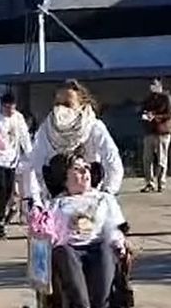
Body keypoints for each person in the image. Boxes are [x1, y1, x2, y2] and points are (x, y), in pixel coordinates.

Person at [37, 152, 130, 308]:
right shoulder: (56, 204)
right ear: (65, 178)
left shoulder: (104, 199)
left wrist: (117, 242)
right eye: (77, 170)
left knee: (107, 250)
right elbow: (49, 231)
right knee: (62, 251)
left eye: (86, 168)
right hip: (69, 248)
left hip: (97, 245)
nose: (85, 173)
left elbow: (114, 225)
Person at [19, 79, 124, 211]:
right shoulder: (46, 128)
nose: (61, 108)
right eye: (58, 104)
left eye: (68, 104)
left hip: (90, 198)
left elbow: (112, 160)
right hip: (58, 199)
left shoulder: (94, 127)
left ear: (81, 104)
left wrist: (108, 192)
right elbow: (35, 163)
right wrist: (37, 200)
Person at [0, 91, 32, 238]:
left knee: (9, 190)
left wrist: (30, 155)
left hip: (12, 160)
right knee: (1, 187)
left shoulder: (18, 118)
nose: (10, 111)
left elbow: (24, 137)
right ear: (2, 106)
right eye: (7, 108)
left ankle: (3, 215)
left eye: (12, 108)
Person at [139, 78, 171, 193]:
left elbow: (170, 113)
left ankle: (161, 182)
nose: (152, 87)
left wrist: (155, 117)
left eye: (155, 84)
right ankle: (149, 183)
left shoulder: (166, 98)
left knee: (161, 159)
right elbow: (143, 110)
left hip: (162, 132)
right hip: (150, 132)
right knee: (147, 159)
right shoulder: (148, 99)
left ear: (160, 85)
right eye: (151, 85)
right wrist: (145, 115)